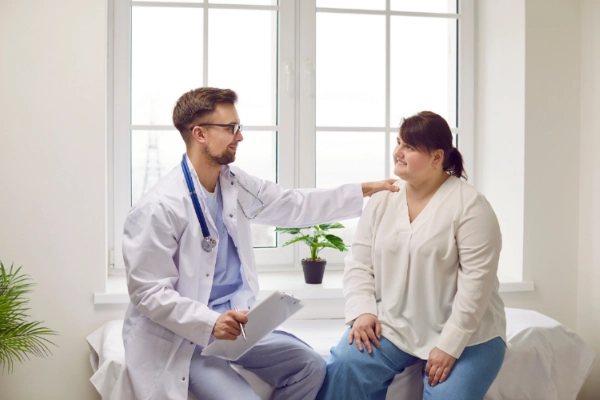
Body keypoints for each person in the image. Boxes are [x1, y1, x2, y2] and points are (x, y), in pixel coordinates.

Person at [121, 87, 398, 400]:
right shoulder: (159, 206)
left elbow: (294, 204)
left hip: (237, 328)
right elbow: (148, 291)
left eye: (239, 127)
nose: (239, 136)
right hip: (186, 338)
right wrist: (210, 322)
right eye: (231, 128)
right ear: (199, 134)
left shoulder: (234, 183)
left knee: (311, 366)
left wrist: (364, 190)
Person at [317, 111, 507, 400]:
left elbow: (476, 287)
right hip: (394, 325)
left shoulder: (471, 206)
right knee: (345, 366)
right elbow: (359, 262)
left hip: (468, 334)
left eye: (409, 147)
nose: (398, 153)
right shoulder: (383, 198)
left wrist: (449, 346)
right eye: (398, 143)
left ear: (436, 156)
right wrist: (362, 310)